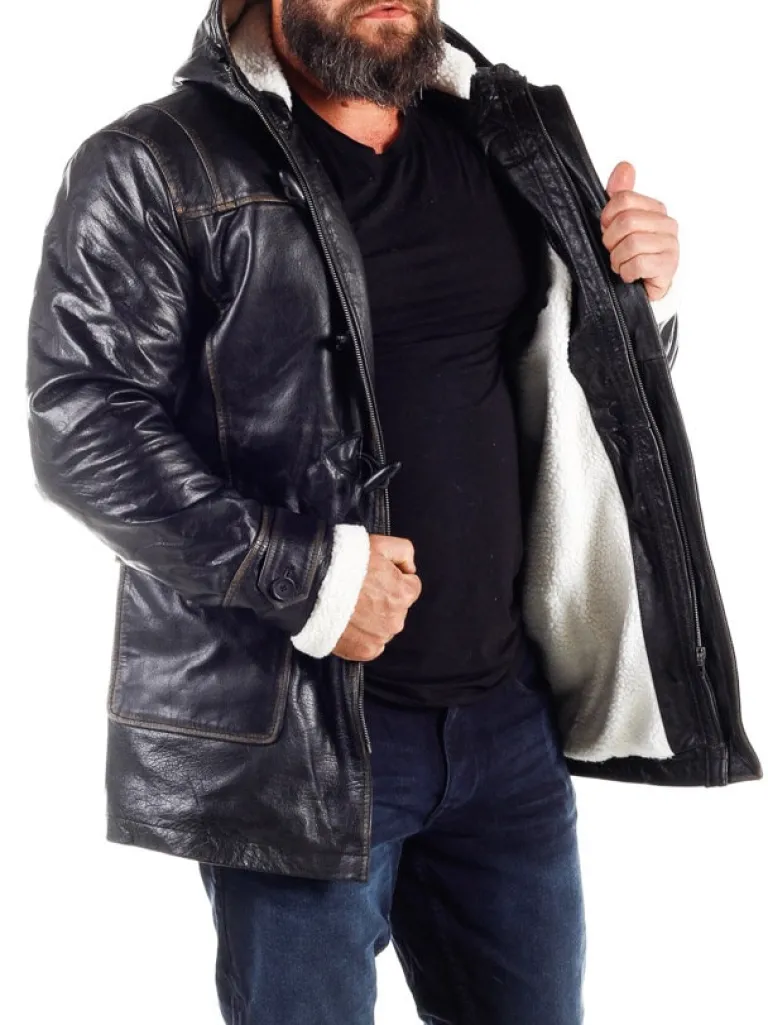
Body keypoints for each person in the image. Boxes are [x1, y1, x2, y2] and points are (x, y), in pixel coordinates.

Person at [26, 1, 763, 1024]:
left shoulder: (502, 134)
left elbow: (560, 372)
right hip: (300, 743)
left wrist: (636, 297)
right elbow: (81, 423)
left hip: (507, 725)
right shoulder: (153, 163)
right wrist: (309, 578)